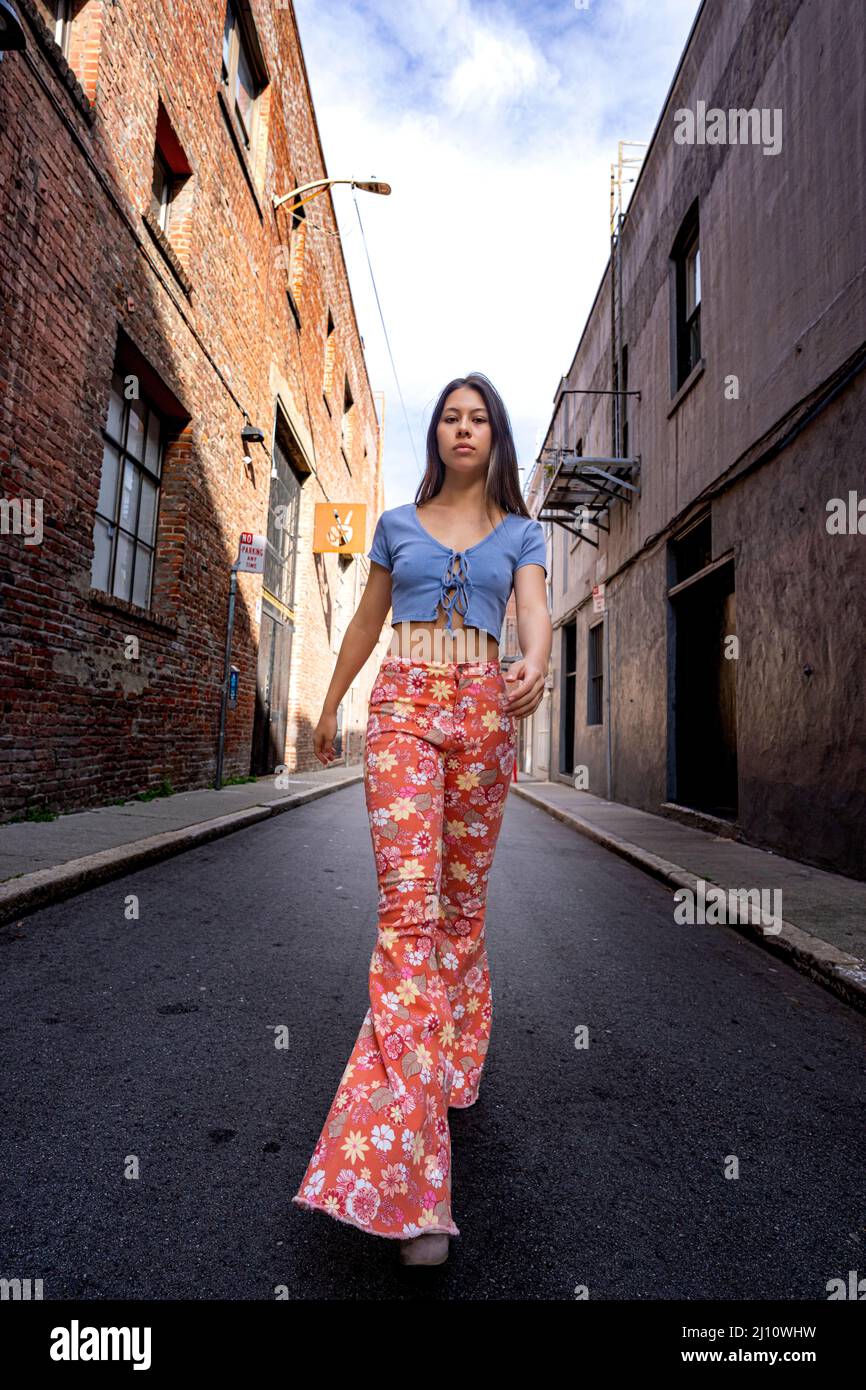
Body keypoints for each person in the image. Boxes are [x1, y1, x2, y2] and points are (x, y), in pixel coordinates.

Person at [291, 371, 552, 1265]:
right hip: (402, 709)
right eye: (451, 416)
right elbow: (366, 624)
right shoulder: (397, 526)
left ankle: (453, 1055)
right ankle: (413, 1188)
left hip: (483, 711)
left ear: (496, 436)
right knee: (410, 920)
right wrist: (330, 709)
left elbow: (536, 612)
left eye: (480, 417)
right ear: (435, 434)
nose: (464, 427)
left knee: (460, 916)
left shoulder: (522, 532)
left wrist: (538, 664)